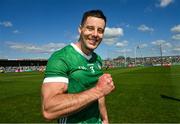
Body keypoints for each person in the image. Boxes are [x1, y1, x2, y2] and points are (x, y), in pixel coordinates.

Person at [41, 9, 115, 124]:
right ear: (80, 29)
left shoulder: (97, 59)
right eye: (90, 28)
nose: (95, 34)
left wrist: (105, 119)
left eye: (100, 30)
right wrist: (99, 90)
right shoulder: (61, 58)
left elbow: (99, 96)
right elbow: (49, 110)